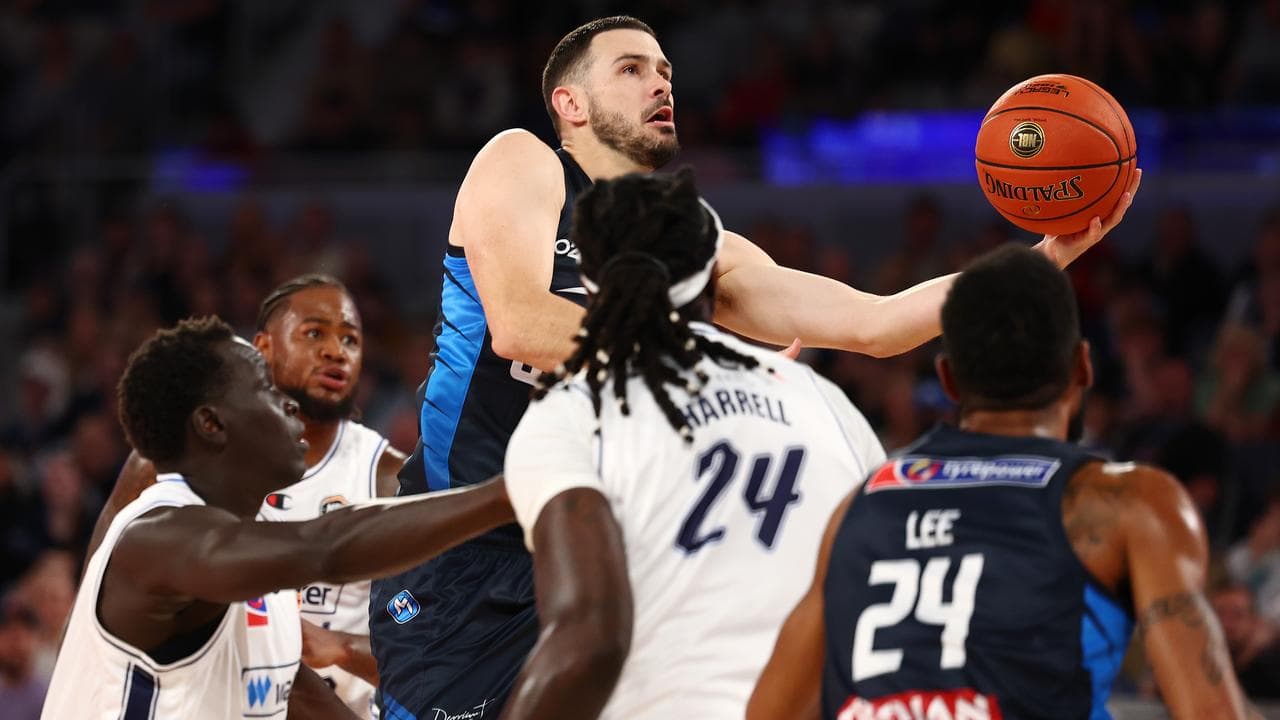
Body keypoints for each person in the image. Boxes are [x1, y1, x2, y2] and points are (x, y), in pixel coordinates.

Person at [376, 15, 1143, 718]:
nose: (661, 84)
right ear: (571, 104)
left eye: (667, 72)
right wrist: (711, 359)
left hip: (607, 560)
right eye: (633, 69)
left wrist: (1040, 262)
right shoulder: (526, 162)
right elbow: (519, 324)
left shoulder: (697, 244)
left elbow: (873, 324)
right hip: (466, 554)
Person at [747, 245, 1251, 720]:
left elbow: (769, 713)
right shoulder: (1128, 503)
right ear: (1082, 368)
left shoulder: (862, 508)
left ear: (948, 380)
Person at [499, 170, 885, 719]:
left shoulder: (575, 412)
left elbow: (587, 636)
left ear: (587, 287)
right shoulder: (825, 403)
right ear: (713, 284)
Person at [40, 317, 511, 719]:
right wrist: (506, 495)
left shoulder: (251, 561)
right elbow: (325, 548)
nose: (289, 403)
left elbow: (294, 693)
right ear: (211, 423)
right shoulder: (159, 536)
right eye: (266, 388)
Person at [83, 274, 403, 719]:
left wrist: (343, 648)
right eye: (315, 333)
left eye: (350, 339)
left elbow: (430, 638)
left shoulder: (387, 477)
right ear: (263, 348)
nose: (336, 351)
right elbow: (91, 603)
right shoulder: (175, 460)